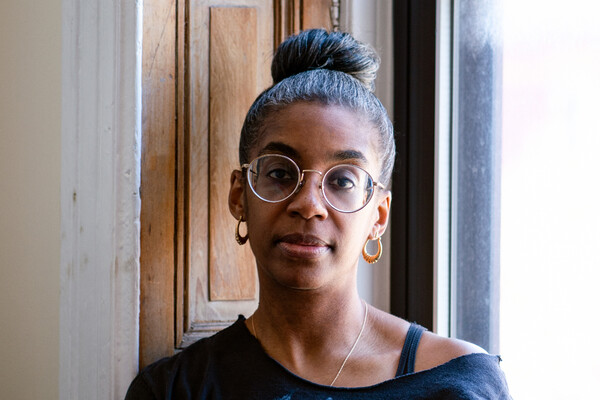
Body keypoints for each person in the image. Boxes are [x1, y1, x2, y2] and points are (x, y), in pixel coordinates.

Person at [126, 29, 511, 399]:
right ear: (240, 196)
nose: (308, 204)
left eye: (342, 181)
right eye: (280, 173)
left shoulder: (458, 383)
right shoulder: (176, 389)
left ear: (378, 215)